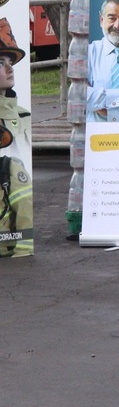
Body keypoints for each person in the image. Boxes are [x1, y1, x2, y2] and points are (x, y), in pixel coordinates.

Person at [0, 19, 32, 258]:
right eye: (1, 62)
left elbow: (23, 202)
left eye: (11, 62)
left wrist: (23, 251)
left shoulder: (24, 115)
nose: (10, 68)